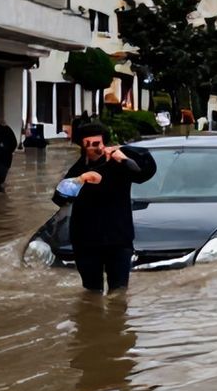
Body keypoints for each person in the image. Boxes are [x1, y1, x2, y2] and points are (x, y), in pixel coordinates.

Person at [52, 123, 156, 294]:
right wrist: (80, 180)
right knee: (91, 293)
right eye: (88, 144)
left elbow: (144, 173)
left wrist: (122, 158)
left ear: (104, 143)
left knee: (119, 292)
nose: (93, 148)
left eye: (97, 143)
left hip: (118, 239)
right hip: (86, 241)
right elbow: (60, 199)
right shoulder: (78, 169)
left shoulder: (120, 164)